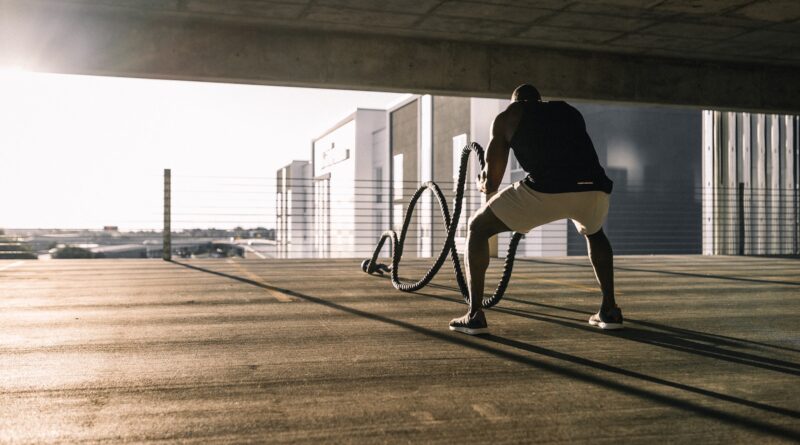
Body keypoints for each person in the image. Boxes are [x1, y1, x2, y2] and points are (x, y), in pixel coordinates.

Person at [448, 84, 622, 335]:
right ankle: (610, 310)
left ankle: (474, 314)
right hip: (594, 188)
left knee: (477, 227)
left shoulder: (509, 116)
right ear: (539, 100)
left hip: (547, 190)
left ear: (515, 101)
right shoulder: (569, 111)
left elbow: (493, 181)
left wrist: (482, 182)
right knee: (595, 233)